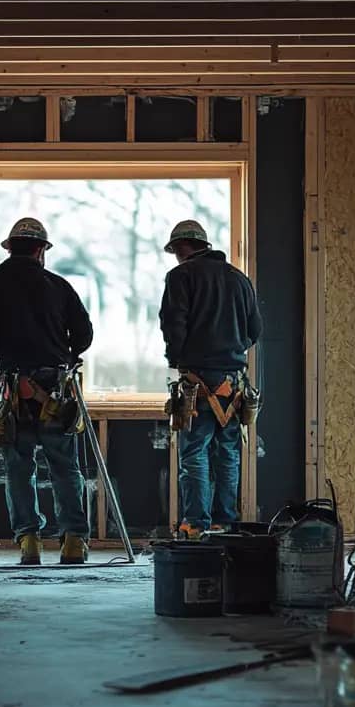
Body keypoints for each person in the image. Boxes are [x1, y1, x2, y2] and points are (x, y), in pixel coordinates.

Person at [0, 217, 94, 566]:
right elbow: (83, 335)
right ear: (41, 249)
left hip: (14, 393)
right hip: (55, 389)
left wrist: (5, 348)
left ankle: (29, 542)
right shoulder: (58, 286)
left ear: (9, 248)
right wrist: (65, 355)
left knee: (18, 467)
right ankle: (73, 542)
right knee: (65, 467)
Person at [158, 219, 262, 537]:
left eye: (175, 250)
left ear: (180, 247)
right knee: (228, 451)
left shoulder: (180, 276)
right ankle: (224, 519)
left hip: (197, 379)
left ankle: (196, 523)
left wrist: (177, 359)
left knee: (193, 452)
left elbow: (173, 323)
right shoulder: (239, 279)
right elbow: (254, 331)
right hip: (232, 381)